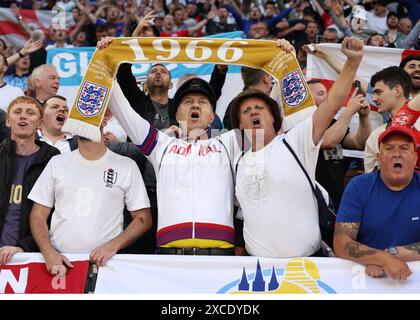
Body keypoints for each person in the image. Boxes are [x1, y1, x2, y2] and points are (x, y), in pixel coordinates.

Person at [229, 37, 364, 258]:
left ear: (274, 118)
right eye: (246, 111)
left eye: (259, 108)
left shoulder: (295, 142)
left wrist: (352, 63)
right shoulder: (239, 162)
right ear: (241, 125)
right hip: (258, 277)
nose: (253, 112)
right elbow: (243, 218)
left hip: (307, 270)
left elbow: (331, 104)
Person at [29, 110, 152, 277]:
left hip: (106, 266)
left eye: (93, 117)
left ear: (105, 121)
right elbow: (38, 215)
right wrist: (48, 253)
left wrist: (113, 246)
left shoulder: (126, 166)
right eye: (81, 117)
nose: (86, 122)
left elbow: (143, 219)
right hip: (61, 264)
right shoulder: (57, 163)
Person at [334, 125, 420, 280]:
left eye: (404, 148)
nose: (397, 154)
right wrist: (382, 259)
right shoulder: (359, 186)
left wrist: (392, 254)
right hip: (367, 279)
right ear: (379, 158)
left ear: (414, 158)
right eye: (389, 148)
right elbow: (341, 242)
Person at [0, 96, 59, 265]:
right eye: (17, 112)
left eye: (30, 113)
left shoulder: (53, 159)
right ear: (8, 122)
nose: (23, 116)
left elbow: (56, 213)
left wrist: (23, 246)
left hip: (33, 256)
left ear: (40, 124)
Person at [308, 80, 371, 208]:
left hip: (336, 201)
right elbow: (328, 141)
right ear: (307, 99)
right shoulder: (301, 124)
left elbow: (360, 143)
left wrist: (364, 117)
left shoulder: (334, 123)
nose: (327, 99)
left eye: (327, 94)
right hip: (311, 202)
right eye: (321, 94)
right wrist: (349, 111)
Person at [364, 67, 413, 172]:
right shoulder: (375, 136)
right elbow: (372, 180)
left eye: (378, 92)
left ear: (397, 90)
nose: (374, 99)